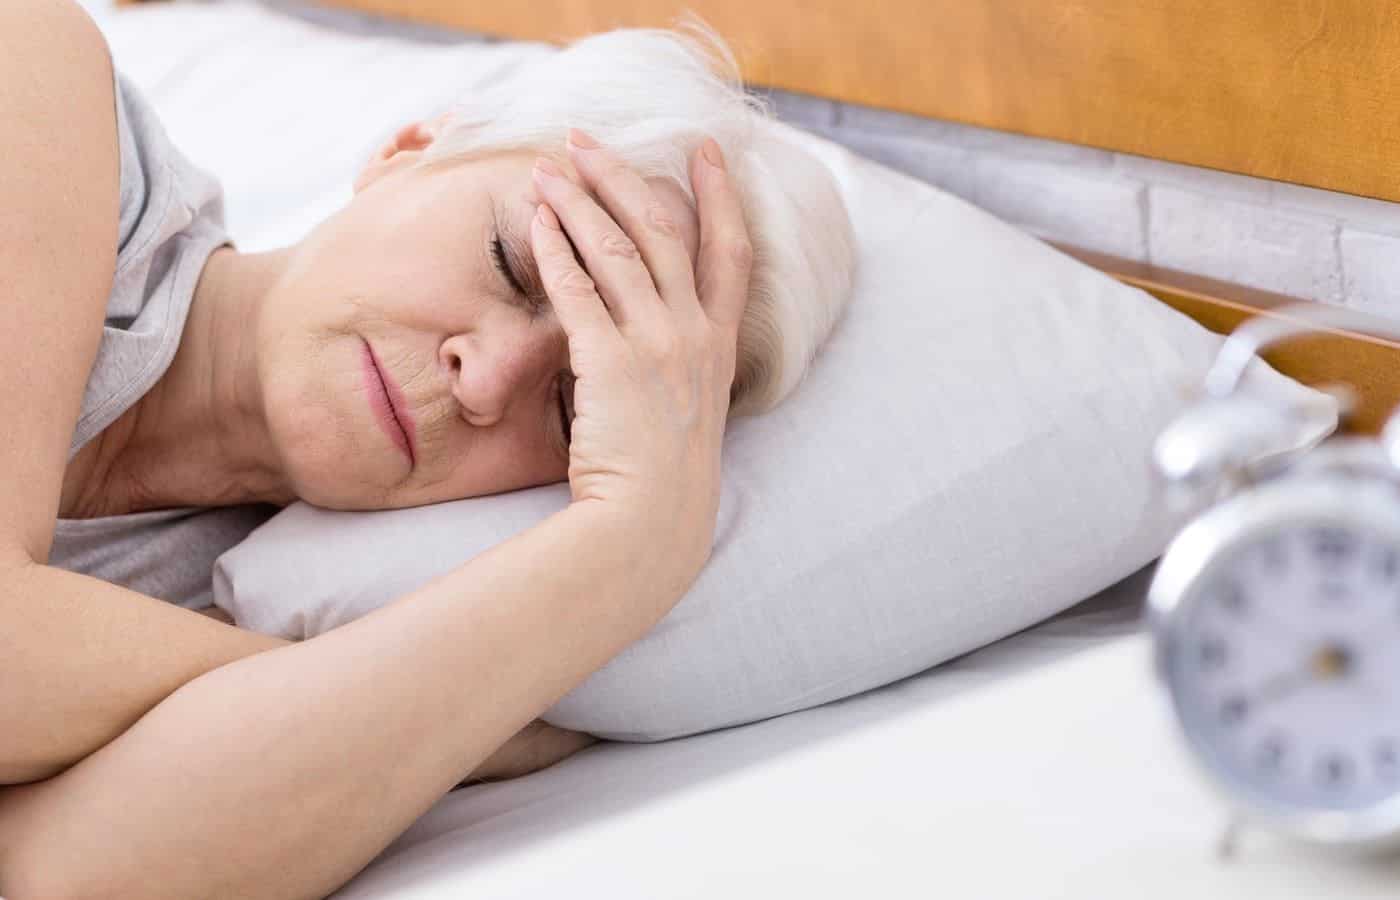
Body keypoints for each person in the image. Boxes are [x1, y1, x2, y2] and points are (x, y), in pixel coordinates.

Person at [0, 1, 854, 896]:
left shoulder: (278, 599)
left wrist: (631, 538)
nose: (484, 381)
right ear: (411, 148)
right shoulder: (43, 86)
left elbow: (64, 875)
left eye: (573, 402)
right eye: (512, 260)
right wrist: (467, 727)